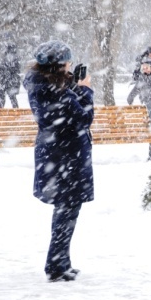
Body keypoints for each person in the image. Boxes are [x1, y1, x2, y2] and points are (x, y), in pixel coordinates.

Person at [23, 40, 94, 282]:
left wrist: (73, 84)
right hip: (65, 157)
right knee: (67, 209)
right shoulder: (54, 91)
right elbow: (83, 118)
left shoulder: (46, 87)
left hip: (58, 155)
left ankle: (61, 261)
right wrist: (85, 89)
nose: (70, 65)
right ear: (58, 65)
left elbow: (65, 112)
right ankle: (55, 266)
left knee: (67, 209)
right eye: (67, 62)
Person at [0, 42, 21, 108]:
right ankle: (3, 108)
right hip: (6, 80)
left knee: (10, 95)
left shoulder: (15, 58)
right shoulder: (6, 58)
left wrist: (6, 69)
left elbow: (17, 69)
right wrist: (2, 69)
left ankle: (3, 108)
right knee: (6, 94)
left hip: (10, 80)